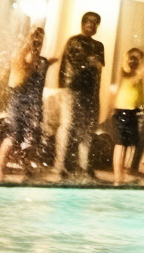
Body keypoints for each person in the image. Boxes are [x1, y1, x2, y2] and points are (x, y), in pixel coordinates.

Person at [0, 26, 55, 180]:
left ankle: (28, 172)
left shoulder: (41, 61)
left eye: (40, 42)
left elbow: (40, 78)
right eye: (35, 42)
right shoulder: (21, 59)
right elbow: (15, 83)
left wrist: (48, 63)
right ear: (30, 42)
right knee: (13, 137)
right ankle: (0, 173)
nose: (38, 45)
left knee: (32, 140)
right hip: (19, 104)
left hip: (34, 106)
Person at [52, 11, 105, 177]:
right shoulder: (74, 41)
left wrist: (96, 96)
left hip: (89, 92)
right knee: (67, 125)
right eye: (88, 21)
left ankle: (84, 164)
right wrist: (64, 88)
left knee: (87, 129)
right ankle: (59, 165)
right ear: (83, 24)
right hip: (73, 88)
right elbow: (77, 63)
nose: (91, 25)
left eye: (94, 22)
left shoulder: (99, 46)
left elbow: (97, 72)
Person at [109, 47, 144, 184]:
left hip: (133, 111)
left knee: (131, 143)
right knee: (120, 143)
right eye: (131, 58)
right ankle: (117, 176)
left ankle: (124, 173)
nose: (134, 61)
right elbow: (130, 78)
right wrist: (141, 75)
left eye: (137, 59)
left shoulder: (139, 77)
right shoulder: (125, 73)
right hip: (122, 110)